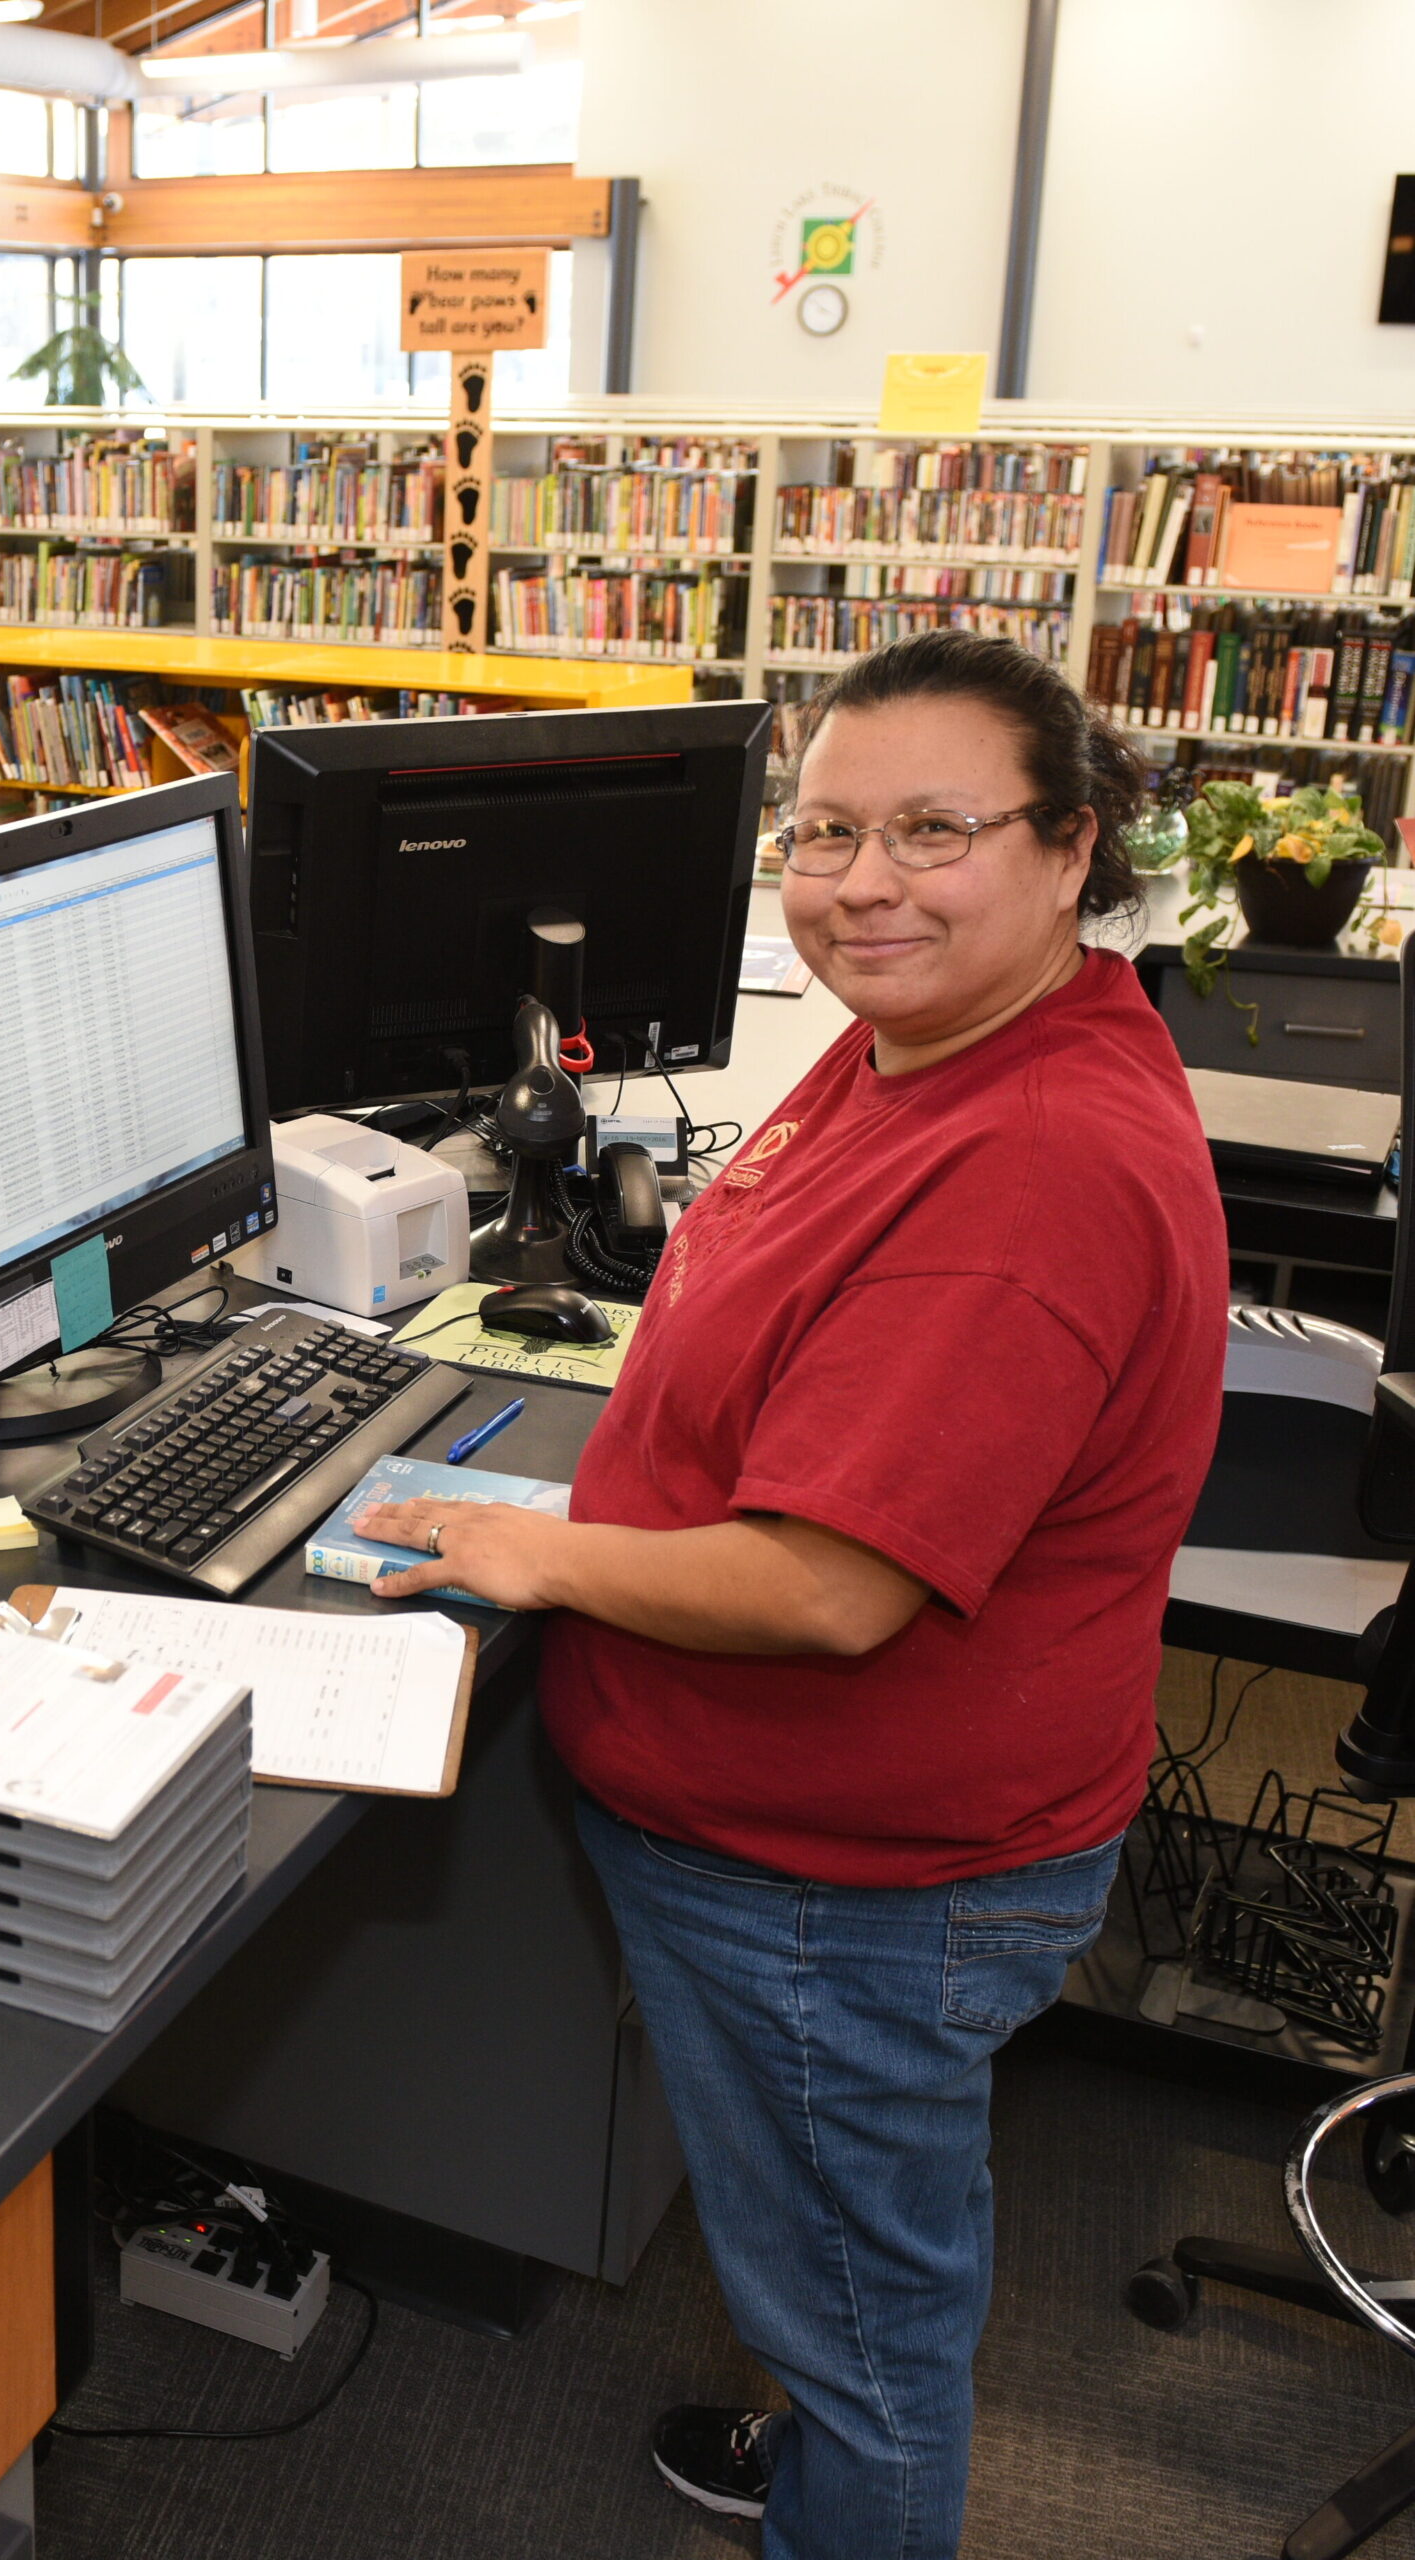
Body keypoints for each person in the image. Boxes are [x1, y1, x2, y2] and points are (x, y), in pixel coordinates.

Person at [359, 629, 1225, 2560]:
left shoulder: (1031, 1170)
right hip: (851, 1835)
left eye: (935, 830)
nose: (861, 883)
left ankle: (855, 2490)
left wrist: (538, 1548)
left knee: (864, 2324)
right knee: (856, 2251)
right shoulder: (951, 1035)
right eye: (825, 830)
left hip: (852, 1880)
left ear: (1073, 848)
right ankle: (838, 2461)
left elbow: (835, 1591)